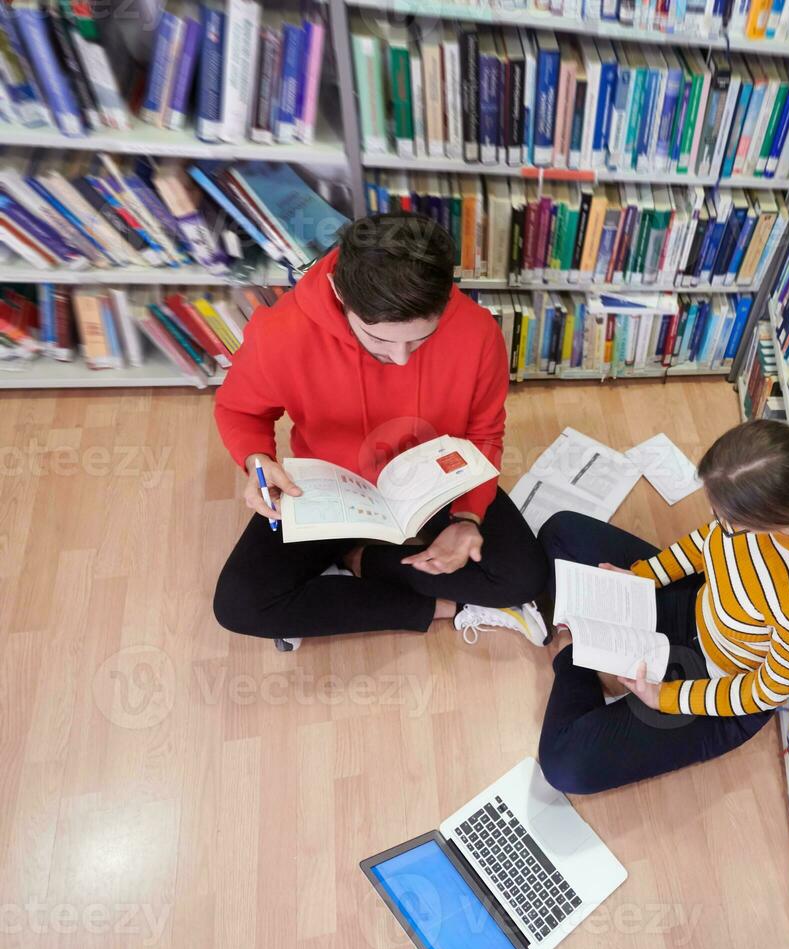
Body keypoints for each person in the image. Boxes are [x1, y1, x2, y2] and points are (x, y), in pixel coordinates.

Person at [212, 213, 548, 647]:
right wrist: (257, 461)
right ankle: (444, 607)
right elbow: (240, 410)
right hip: (330, 484)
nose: (402, 359)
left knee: (523, 577)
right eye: (378, 339)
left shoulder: (479, 331)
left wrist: (467, 516)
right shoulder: (281, 331)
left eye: (420, 339)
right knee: (240, 604)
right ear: (339, 293)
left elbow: (485, 432)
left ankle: (363, 562)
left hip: (436, 477)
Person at [535, 419, 789, 794]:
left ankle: (579, 657)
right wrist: (642, 577)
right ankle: (599, 648)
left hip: (716, 685)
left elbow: (764, 691)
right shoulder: (751, 508)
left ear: (763, 522)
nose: (717, 521)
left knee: (564, 764)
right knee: (561, 532)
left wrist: (666, 697)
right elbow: (706, 542)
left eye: (725, 518)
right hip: (696, 606)